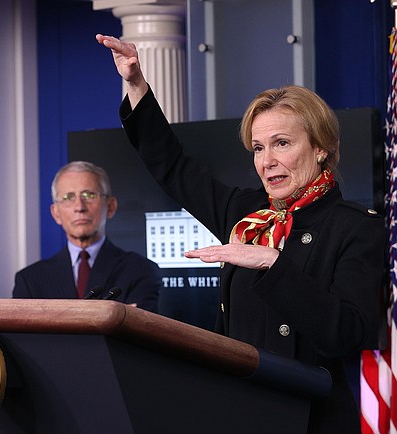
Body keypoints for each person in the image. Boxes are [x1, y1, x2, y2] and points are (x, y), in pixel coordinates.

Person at [96, 34, 385, 433]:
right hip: (238, 412)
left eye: (282, 143)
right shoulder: (246, 215)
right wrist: (135, 84)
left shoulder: (358, 227)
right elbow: (172, 167)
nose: (268, 162)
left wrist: (273, 262)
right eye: (257, 148)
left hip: (311, 420)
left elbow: (347, 333)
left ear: (322, 147)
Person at [13, 160, 161, 312]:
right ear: (56, 213)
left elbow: (139, 334)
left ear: (110, 207)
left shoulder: (140, 270)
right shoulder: (30, 280)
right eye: (68, 197)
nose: (79, 207)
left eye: (89, 195)